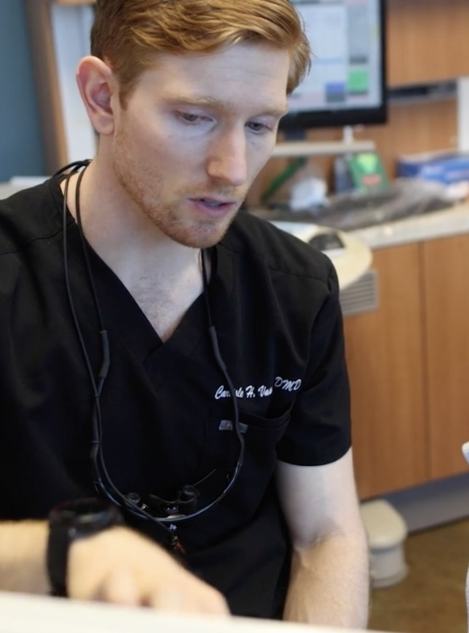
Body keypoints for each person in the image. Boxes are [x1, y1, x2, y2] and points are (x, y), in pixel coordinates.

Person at [0, 0, 369, 627]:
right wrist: (62, 554)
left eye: (260, 126)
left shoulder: (295, 289)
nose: (231, 171)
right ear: (102, 97)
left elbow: (326, 535)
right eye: (195, 117)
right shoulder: (14, 281)